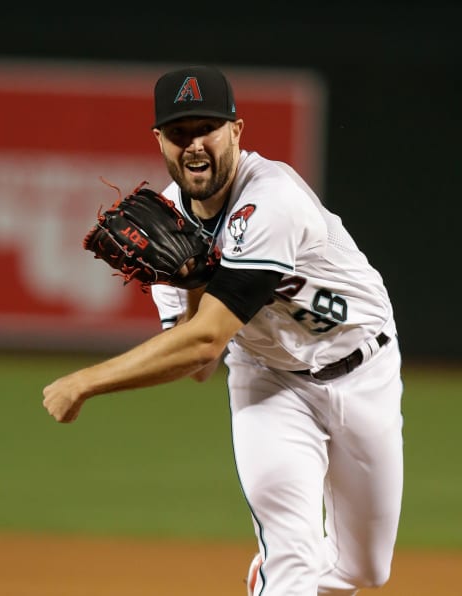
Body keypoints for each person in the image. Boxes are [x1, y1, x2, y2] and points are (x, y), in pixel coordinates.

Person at [43, 65, 404, 595]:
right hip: (270, 382)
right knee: (294, 555)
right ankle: (278, 574)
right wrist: (191, 280)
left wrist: (85, 382)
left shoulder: (272, 197)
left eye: (206, 128)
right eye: (179, 132)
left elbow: (207, 338)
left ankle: (274, 575)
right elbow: (202, 364)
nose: (193, 145)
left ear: (236, 131)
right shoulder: (164, 228)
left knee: (364, 571)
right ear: (159, 141)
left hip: (363, 367)